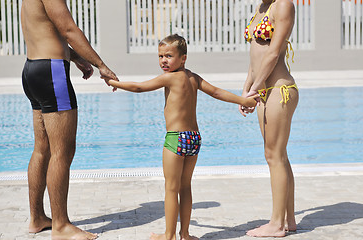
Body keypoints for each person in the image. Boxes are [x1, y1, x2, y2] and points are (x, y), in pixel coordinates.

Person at [106, 34, 258, 240]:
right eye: (160, 56)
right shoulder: (193, 78)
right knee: (185, 186)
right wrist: (243, 100)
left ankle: (168, 236)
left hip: (176, 138)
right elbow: (215, 92)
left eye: (169, 56)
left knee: (171, 188)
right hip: (194, 138)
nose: (163, 61)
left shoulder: (169, 78)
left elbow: (139, 87)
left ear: (183, 58)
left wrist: (116, 83)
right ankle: (185, 234)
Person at [21, 0, 118, 239]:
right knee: (62, 151)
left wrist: (74, 57)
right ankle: (61, 225)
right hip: (51, 73)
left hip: (33, 69)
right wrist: (101, 65)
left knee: (42, 148)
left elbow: (48, 30)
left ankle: (37, 218)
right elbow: (68, 29)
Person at [240, 0, 298, 237]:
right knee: (279, 156)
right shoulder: (261, 8)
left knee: (274, 156)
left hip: (279, 89)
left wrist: (255, 87)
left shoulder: (283, 5)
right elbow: (256, 55)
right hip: (263, 89)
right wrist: (246, 89)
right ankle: (289, 220)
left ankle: (276, 224)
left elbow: (273, 53)